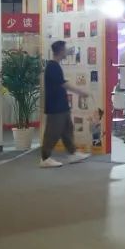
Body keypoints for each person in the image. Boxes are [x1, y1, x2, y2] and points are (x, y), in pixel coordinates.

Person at [40, 40, 91, 168]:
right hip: (55, 106)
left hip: (61, 105)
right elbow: (63, 83)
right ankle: (45, 158)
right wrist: (80, 92)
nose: (67, 51)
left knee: (67, 129)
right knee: (52, 132)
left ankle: (73, 153)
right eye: (65, 49)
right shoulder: (52, 66)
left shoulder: (56, 66)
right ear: (61, 51)